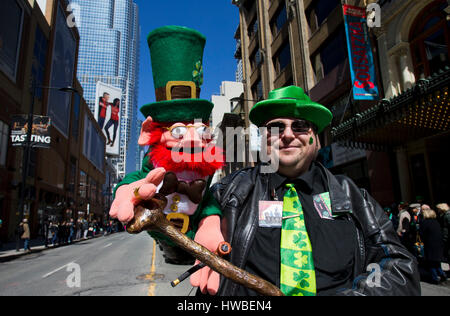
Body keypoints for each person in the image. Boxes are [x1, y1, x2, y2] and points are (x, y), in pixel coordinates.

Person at [192, 86, 420, 296]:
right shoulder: (231, 191)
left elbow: (401, 268)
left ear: (316, 140)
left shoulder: (353, 197)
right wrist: (202, 219)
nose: (288, 134)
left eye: (300, 126)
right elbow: (175, 239)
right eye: (276, 127)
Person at [419, 209, 447, 284]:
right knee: (437, 261)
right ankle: (442, 274)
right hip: (439, 243)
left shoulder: (424, 222)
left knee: (430, 262)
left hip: (429, 244)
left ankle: (435, 277)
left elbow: (422, 234)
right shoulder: (436, 222)